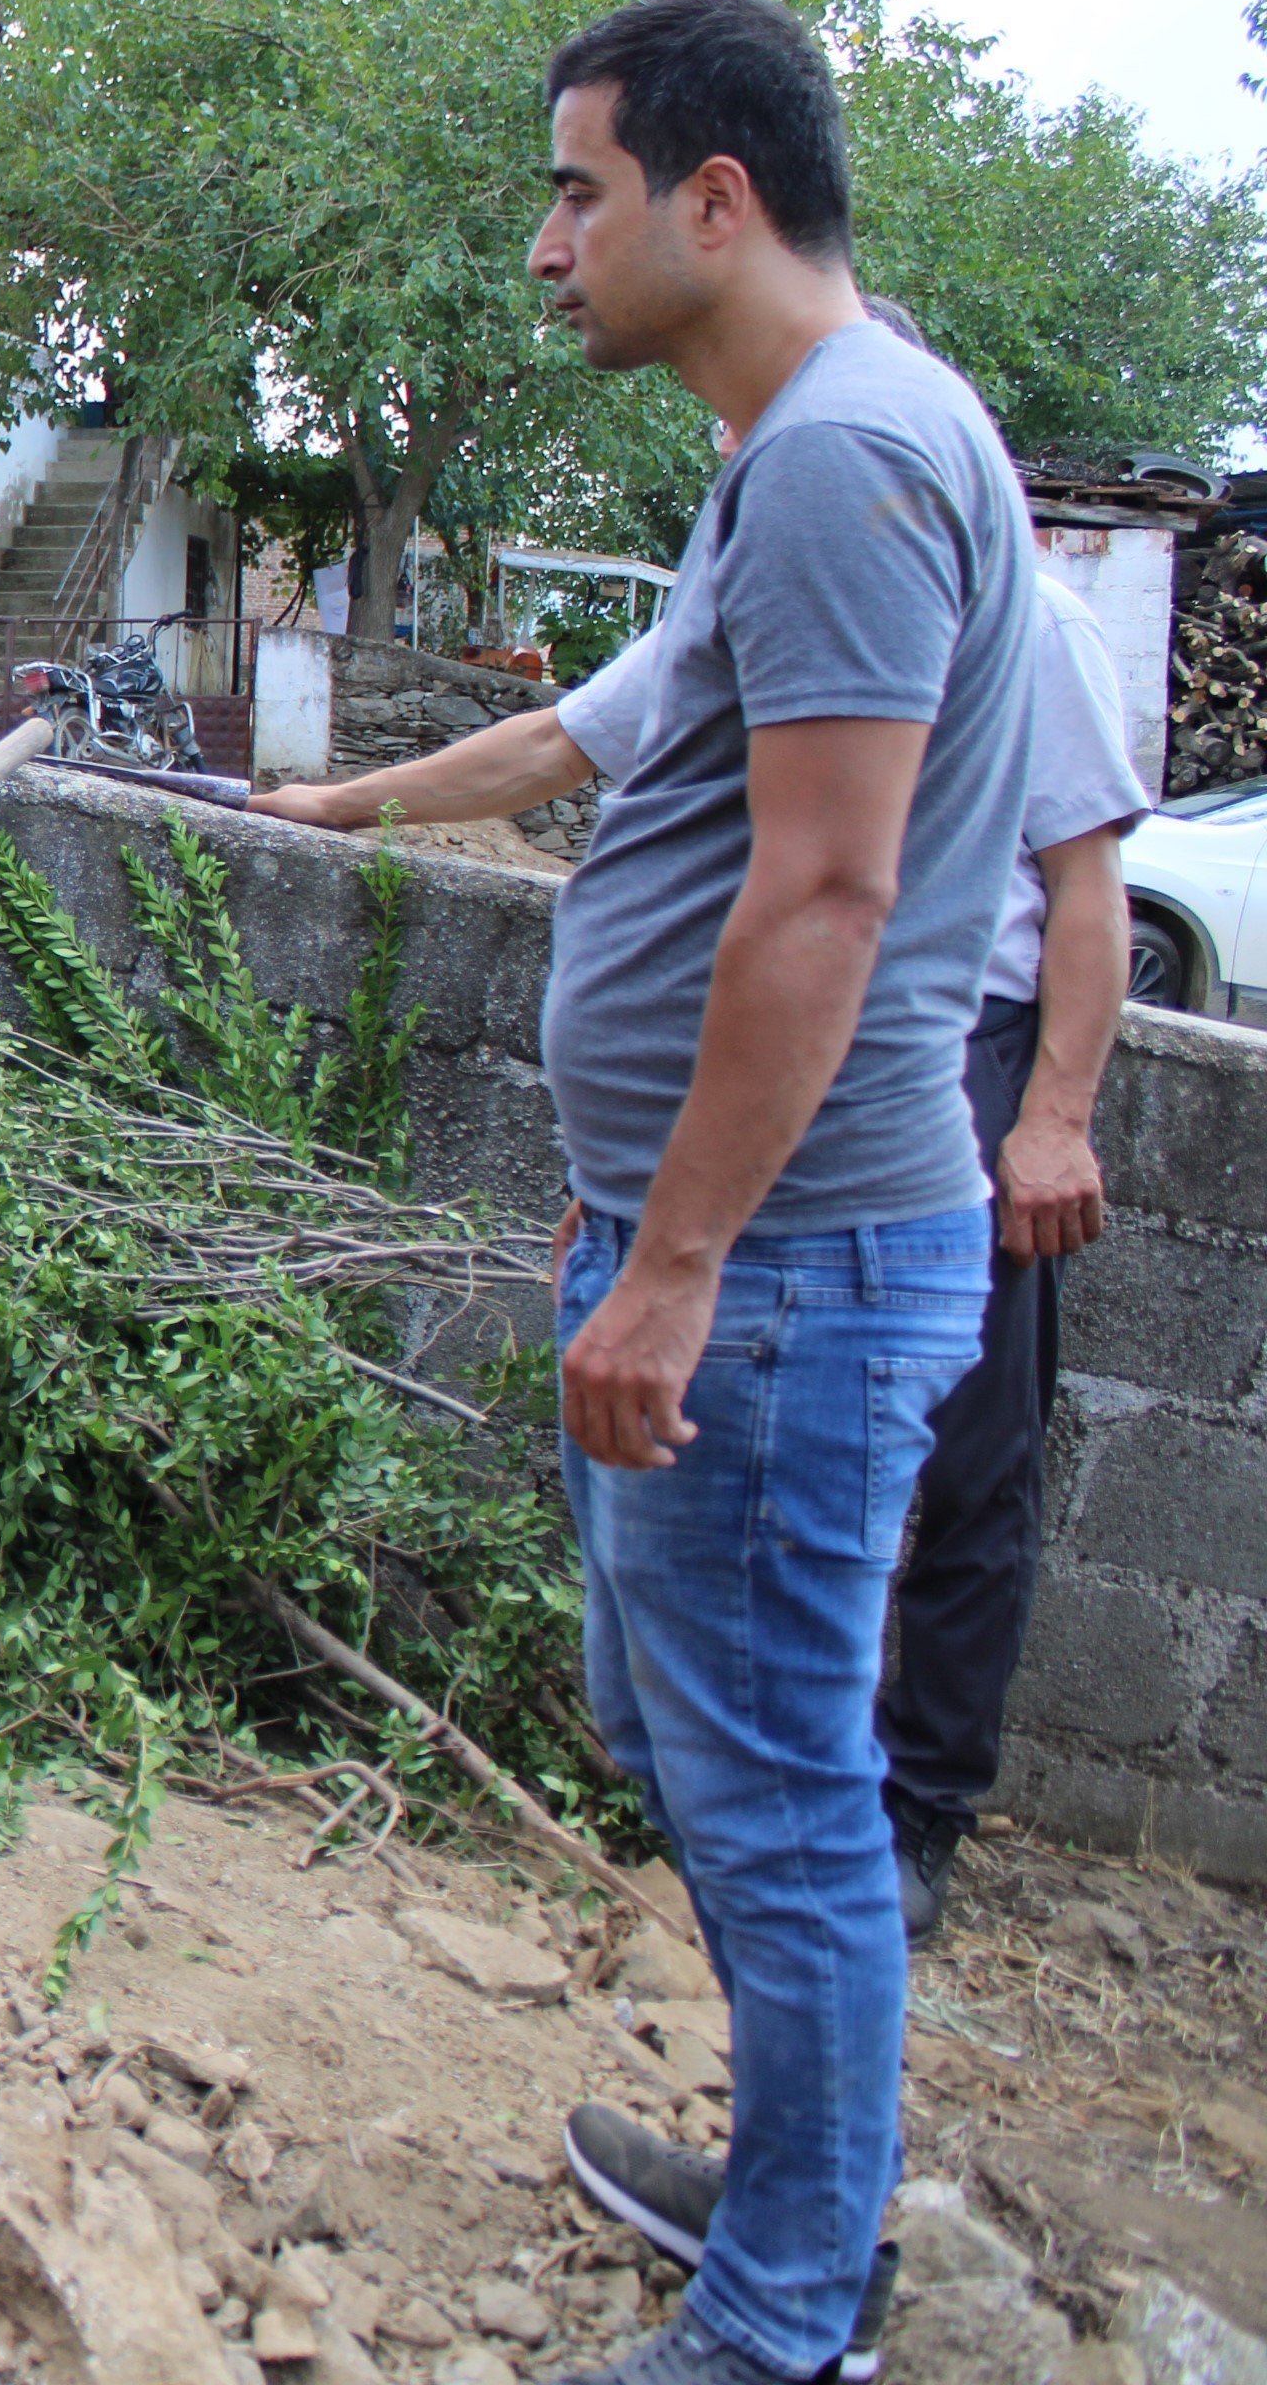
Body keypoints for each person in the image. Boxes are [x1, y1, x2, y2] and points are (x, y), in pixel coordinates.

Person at [255, 306, 1145, 1962]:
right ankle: (793, 1921)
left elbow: (1068, 892)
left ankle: (913, 1821)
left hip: (921, 1071)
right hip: (755, 1085)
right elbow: (553, 742)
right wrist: (329, 800)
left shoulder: (1009, 619)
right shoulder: (758, 577)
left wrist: (1052, 1115)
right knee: (697, 1687)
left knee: (957, 1482)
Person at [505, 0, 1032, 2385]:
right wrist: (629, 1200)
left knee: (788, 1799)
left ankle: (790, 2304)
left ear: (717, 200)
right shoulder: (813, 442)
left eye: (579, 190)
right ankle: (801, 2175)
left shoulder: (846, 456)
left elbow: (825, 898)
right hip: (730, 1245)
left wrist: (684, 1255)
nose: (546, 249)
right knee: (688, 1733)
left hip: (792, 1268)